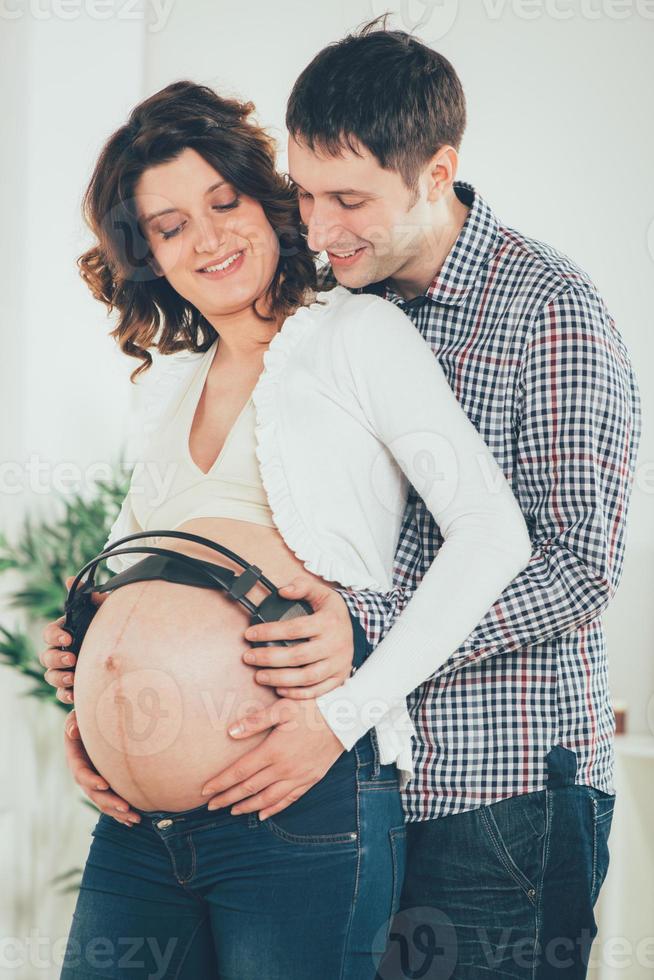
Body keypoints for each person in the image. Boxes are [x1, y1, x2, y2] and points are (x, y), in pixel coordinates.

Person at [39, 80, 531, 979]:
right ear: (148, 253)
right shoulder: (168, 388)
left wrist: (344, 716)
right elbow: (120, 579)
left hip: (298, 801)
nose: (210, 237)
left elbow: (492, 532)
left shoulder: (356, 334)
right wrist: (82, 675)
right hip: (140, 828)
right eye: (171, 225)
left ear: (267, 204)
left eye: (224, 204)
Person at [200, 18, 640, 980]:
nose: (319, 230)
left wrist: (365, 630)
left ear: (438, 172)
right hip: (365, 784)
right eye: (305, 195)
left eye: (350, 200)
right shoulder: (332, 306)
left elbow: (577, 568)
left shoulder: (549, 310)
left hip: (502, 800)